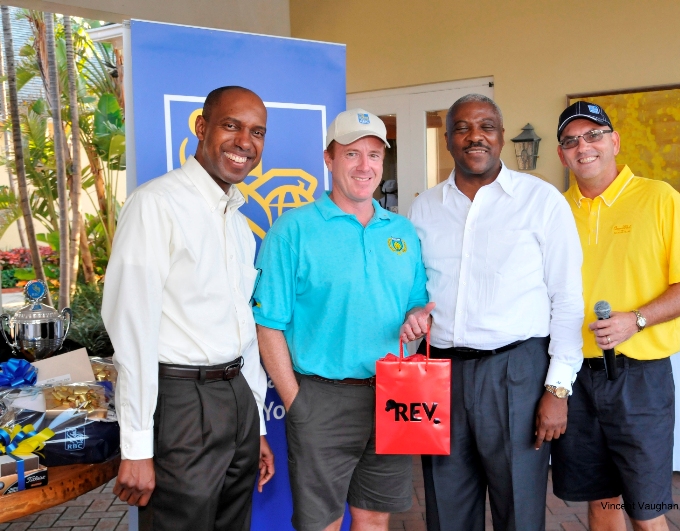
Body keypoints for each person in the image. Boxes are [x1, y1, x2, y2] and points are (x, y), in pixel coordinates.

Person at [407, 94, 585, 531]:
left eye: (486, 126)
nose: (475, 136)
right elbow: (415, 290)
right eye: (463, 128)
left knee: (519, 512)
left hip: (517, 374)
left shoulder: (541, 201)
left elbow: (567, 297)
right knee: (446, 509)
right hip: (441, 373)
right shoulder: (424, 207)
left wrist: (558, 389)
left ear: (501, 137)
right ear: (447, 139)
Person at [102, 86, 275, 531]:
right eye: (231, 125)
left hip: (236, 397)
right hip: (181, 402)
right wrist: (137, 447)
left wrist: (254, 423)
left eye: (257, 132)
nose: (245, 142)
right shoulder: (155, 204)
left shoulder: (238, 224)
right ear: (202, 128)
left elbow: (243, 326)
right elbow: (132, 331)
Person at [253, 108, 432, 531]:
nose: (365, 166)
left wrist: (417, 319)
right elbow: (268, 324)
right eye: (352, 154)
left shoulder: (402, 232)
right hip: (323, 399)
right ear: (329, 160)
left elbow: (418, 305)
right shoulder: (293, 230)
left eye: (374, 154)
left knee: (374, 519)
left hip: (396, 393)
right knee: (322, 524)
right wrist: (297, 401)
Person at [550, 101, 680, 531]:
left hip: (639, 377)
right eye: (571, 141)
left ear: (615, 141)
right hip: (573, 376)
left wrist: (635, 320)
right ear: (561, 154)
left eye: (593, 135)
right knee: (601, 501)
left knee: (646, 508)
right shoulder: (554, 210)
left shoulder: (659, 197)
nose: (583, 147)